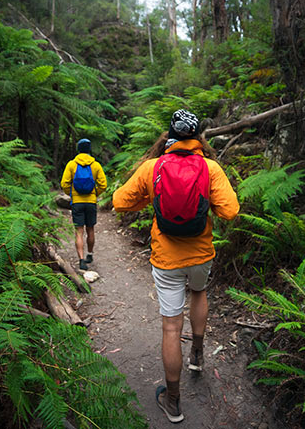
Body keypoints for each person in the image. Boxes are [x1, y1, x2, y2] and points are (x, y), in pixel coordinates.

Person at [112, 110, 239, 423]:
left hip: (166, 259)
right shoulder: (210, 167)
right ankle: (196, 354)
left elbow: (119, 201)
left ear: (168, 136)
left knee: (171, 326)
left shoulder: (151, 167)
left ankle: (173, 401)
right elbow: (231, 211)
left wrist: (151, 198)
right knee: (199, 292)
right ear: (198, 138)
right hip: (201, 254)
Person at [61, 138, 108, 270]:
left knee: (79, 232)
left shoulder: (71, 164)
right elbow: (103, 184)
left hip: (77, 202)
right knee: (90, 229)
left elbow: (64, 184)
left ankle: (81, 260)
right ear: (89, 150)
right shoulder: (96, 165)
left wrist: (72, 194)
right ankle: (90, 254)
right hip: (91, 202)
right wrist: (95, 194)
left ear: (78, 149)